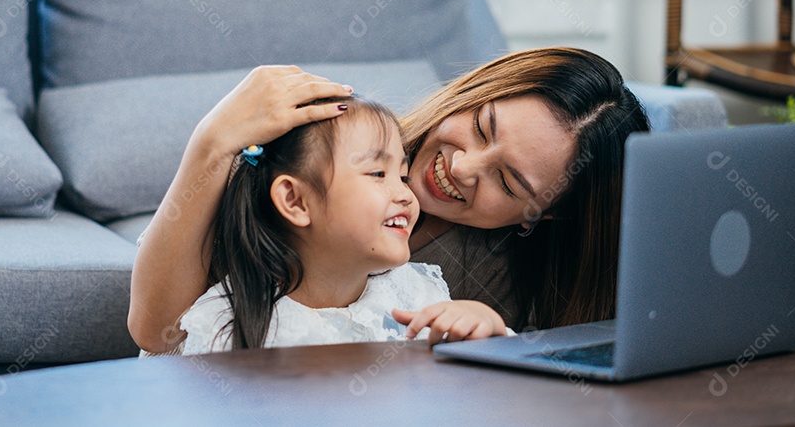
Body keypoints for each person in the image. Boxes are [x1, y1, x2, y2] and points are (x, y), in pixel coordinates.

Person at [129, 47, 650, 354]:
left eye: (509, 184)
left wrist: (494, 344)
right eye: (480, 126)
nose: (462, 168)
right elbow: (159, 333)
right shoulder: (326, 153)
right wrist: (212, 141)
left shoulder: (488, 283)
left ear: (544, 214)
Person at [179, 96, 509, 354]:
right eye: (379, 174)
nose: (407, 195)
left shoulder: (418, 294)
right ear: (296, 201)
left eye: (403, 176)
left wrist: (487, 331)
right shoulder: (225, 323)